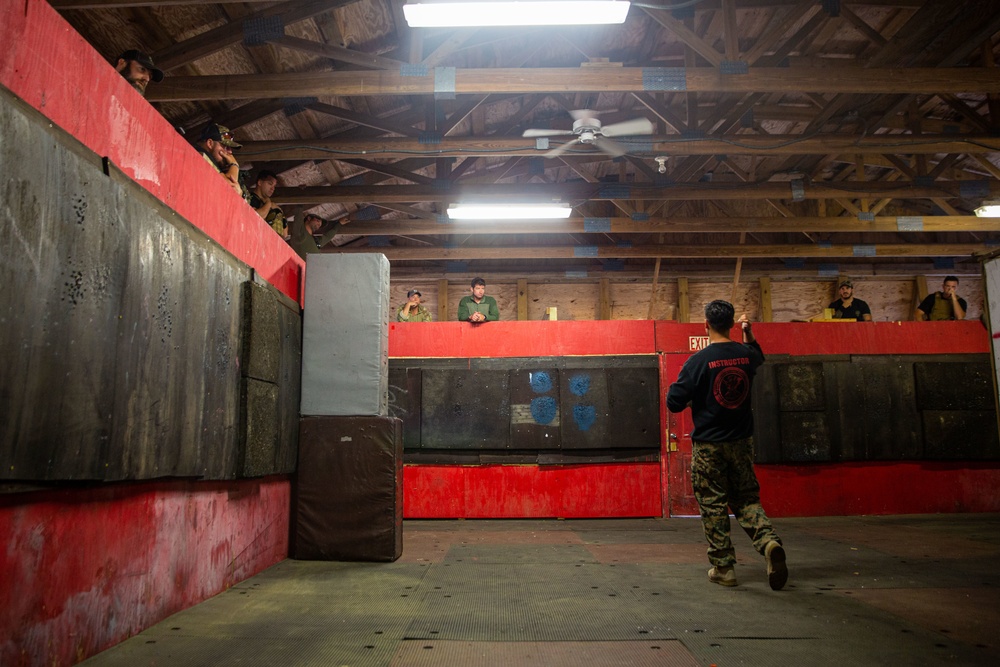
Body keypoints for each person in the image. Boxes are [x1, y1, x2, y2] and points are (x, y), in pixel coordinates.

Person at [666, 300, 787, 590]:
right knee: (746, 498)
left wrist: (693, 392)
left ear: (705, 325)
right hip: (742, 442)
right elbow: (758, 355)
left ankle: (724, 568)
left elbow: (673, 402)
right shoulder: (745, 355)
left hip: (710, 445)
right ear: (732, 324)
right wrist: (749, 334)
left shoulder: (698, 362)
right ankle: (768, 542)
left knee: (713, 503)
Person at [196, 123, 246, 200]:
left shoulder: (213, 163)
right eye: (225, 146)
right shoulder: (199, 152)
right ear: (210, 143)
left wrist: (240, 193)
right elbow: (228, 189)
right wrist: (234, 165)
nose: (230, 152)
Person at [248, 170, 287, 239]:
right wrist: (268, 203)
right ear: (259, 182)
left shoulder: (272, 206)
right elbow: (255, 217)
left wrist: (280, 213)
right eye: (270, 184)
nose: (272, 188)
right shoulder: (250, 198)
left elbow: (284, 234)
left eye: (274, 186)